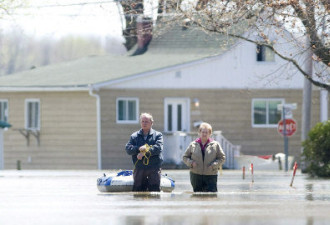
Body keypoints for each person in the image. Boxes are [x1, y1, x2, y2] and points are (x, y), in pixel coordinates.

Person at [125, 113, 163, 192]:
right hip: (139, 169)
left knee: (155, 193)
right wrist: (138, 149)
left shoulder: (158, 135)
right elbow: (128, 149)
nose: (144, 123)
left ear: (151, 123)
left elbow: (158, 148)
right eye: (143, 121)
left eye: (146, 121)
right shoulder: (134, 136)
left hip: (154, 169)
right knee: (138, 193)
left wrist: (145, 152)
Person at [183, 122, 225, 192]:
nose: (204, 134)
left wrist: (214, 165)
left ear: (210, 134)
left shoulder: (215, 145)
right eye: (203, 132)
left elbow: (222, 158)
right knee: (197, 197)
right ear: (199, 133)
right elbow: (185, 157)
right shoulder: (193, 144)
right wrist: (191, 163)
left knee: (211, 197)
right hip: (196, 175)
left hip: (211, 175)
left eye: (207, 132)